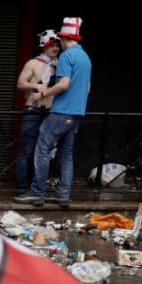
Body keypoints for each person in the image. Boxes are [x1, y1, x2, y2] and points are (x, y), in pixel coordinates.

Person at [15, 16, 92, 209]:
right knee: (66, 154)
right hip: (77, 113)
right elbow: (87, 88)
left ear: (64, 38)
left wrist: (44, 92)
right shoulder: (85, 58)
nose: (58, 47)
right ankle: (63, 195)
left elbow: (63, 84)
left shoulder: (67, 57)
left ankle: (36, 193)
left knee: (41, 149)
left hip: (61, 111)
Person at [13, 29, 60, 195]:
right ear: (44, 46)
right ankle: (21, 185)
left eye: (57, 46)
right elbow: (20, 83)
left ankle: (37, 185)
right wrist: (35, 85)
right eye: (51, 45)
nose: (55, 49)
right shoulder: (33, 63)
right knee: (27, 148)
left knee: (45, 150)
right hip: (33, 109)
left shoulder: (60, 65)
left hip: (51, 110)